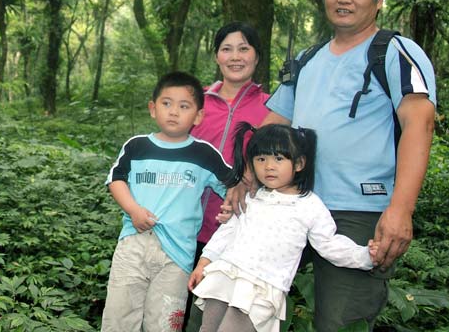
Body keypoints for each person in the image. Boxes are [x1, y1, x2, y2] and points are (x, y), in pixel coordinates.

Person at [233, 0, 436, 331]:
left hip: (358, 211)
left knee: (340, 321)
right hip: (289, 201)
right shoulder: (306, 60)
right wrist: (246, 178)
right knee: (234, 298)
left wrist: (400, 209)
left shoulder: (393, 51)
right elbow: (274, 124)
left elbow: (419, 124)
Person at [191, 123, 377, 332]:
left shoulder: (310, 206)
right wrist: (204, 262)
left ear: (299, 163)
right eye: (261, 159)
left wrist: (365, 256)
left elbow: (329, 244)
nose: (269, 166)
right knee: (207, 328)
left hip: (262, 287)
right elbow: (227, 232)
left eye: (278, 159)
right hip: (226, 275)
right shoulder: (252, 197)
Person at [100, 71, 235, 332]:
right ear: (153, 109)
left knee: (165, 324)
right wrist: (133, 210)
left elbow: (233, 186)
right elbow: (115, 180)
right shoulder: (137, 146)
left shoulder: (204, 154)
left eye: (184, 106)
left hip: (178, 255)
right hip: (134, 244)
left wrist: (230, 207)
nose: (173, 112)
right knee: (119, 318)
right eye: (166, 103)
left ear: (198, 116)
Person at [192, 22, 270, 251]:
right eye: (227, 49)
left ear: (257, 57)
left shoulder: (273, 109)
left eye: (244, 49)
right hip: (184, 229)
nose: (235, 57)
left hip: (240, 231)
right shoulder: (195, 102)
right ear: (217, 56)